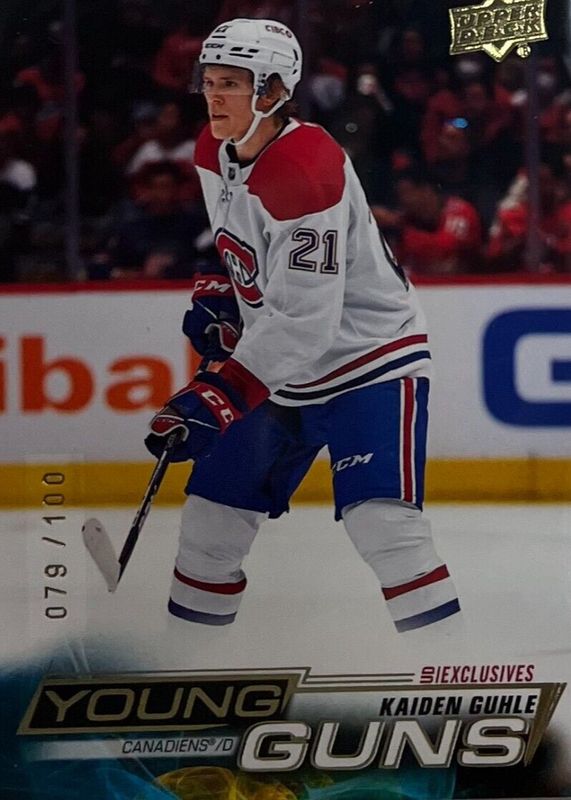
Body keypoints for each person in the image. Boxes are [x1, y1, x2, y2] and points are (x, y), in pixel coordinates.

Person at [145, 18, 462, 637]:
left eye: (230, 83)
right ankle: (187, 669)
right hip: (281, 371)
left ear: (271, 90)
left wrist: (221, 394)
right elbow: (254, 251)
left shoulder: (305, 169)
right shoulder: (213, 148)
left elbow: (307, 322)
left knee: (385, 527)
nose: (213, 95)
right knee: (210, 525)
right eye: (209, 80)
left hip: (368, 360)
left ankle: (448, 673)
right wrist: (230, 297)